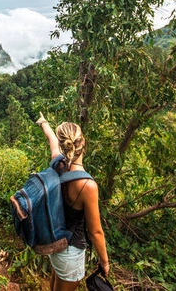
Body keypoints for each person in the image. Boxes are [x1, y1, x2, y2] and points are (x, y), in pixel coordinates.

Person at [36, 112, 110, 291]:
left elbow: (51, 139)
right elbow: (96, 232)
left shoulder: (57, 162)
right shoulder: (87, 186)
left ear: (63, 146)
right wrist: (104, 261)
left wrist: (44, 123)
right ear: (83, 142)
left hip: (56, 244)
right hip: (71, 252)